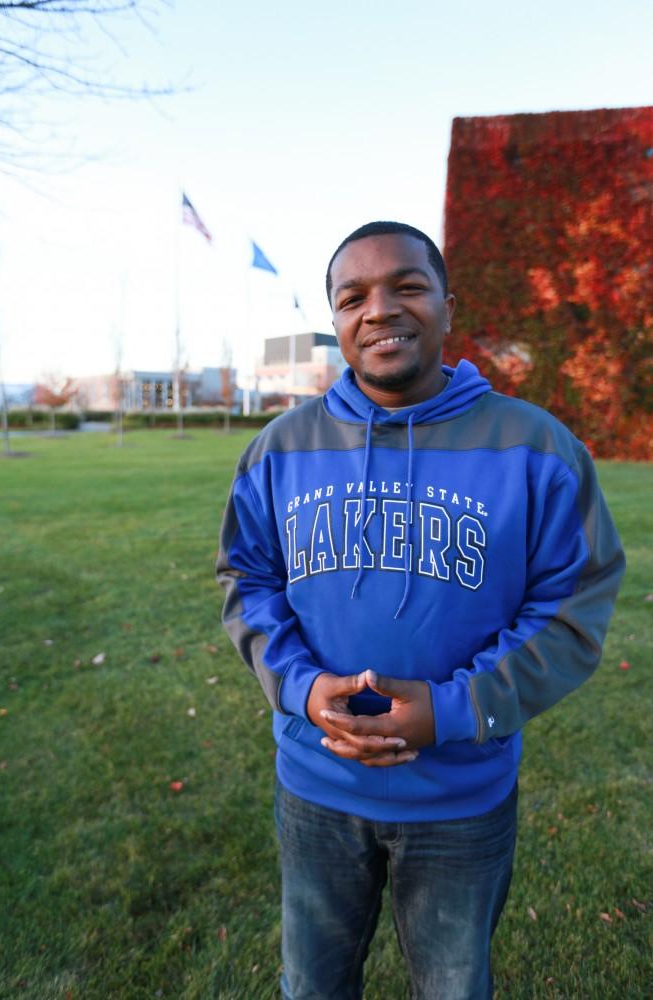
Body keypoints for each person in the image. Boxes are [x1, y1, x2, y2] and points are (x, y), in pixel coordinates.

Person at [216, 221, 625, 1000]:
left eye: (405, 285)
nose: (378, 310)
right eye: (352, 296)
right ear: (334, 321)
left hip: (460, 797)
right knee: (311, 983)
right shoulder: (279, 449)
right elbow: (247, 579)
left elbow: (571, 603)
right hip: (315, 784)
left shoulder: (533, 445)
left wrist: (450, 709)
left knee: (451, 986)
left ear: (445, 304)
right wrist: (302, 690)